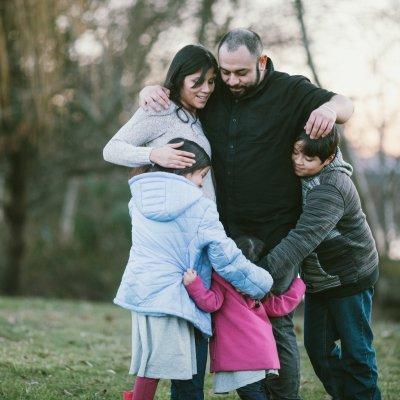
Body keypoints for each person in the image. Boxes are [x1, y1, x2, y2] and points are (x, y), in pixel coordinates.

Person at [138, 28, 354, 399]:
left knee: (276, 318)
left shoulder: (290, 90)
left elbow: (344, 104)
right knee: (234, 319)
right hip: (226, 230)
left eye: (241, 73)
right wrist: (148, 91)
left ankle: (283, 396)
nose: (231, 81)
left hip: (277, 232)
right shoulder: (215, 89)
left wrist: (329, 109)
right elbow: (176, 92)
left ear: (262, 62)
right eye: (225, 72)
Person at [114, 138, 273, 400]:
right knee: (188, 381)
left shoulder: (138, 202)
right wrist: (262, 283)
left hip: (143, 294)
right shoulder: (200, 207)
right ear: (184, 170)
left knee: (150, 365)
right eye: (201, 176)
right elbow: (227, 259)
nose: (201, 184)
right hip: (181, 300)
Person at [259, 127, 381, 399]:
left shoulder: (332, 187)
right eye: (296, 152)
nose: (299, 161)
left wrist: (260, 273)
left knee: (357, 352)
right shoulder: (300, 174)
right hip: (319, 279)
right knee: (318, 349)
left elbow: (302, 238)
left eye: (309, 158)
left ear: (327, 160)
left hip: (350, 277)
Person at [183, 236, 306, 400]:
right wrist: (299, 284)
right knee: (259, 392)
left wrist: (194, 284)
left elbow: (211, 303)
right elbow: (278, 306)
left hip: (241, 357)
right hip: (263, 353)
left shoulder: (221, 280)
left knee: (252, 394)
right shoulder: (259, 287)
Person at [103, 44, 218, 201]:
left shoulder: (201, 115)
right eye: (197, 81)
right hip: (174, 220)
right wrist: (153, 155)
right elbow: (111, 149)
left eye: (211, 81)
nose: (206, 89)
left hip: (204, 219)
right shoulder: (159, 108)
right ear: (179, 79)